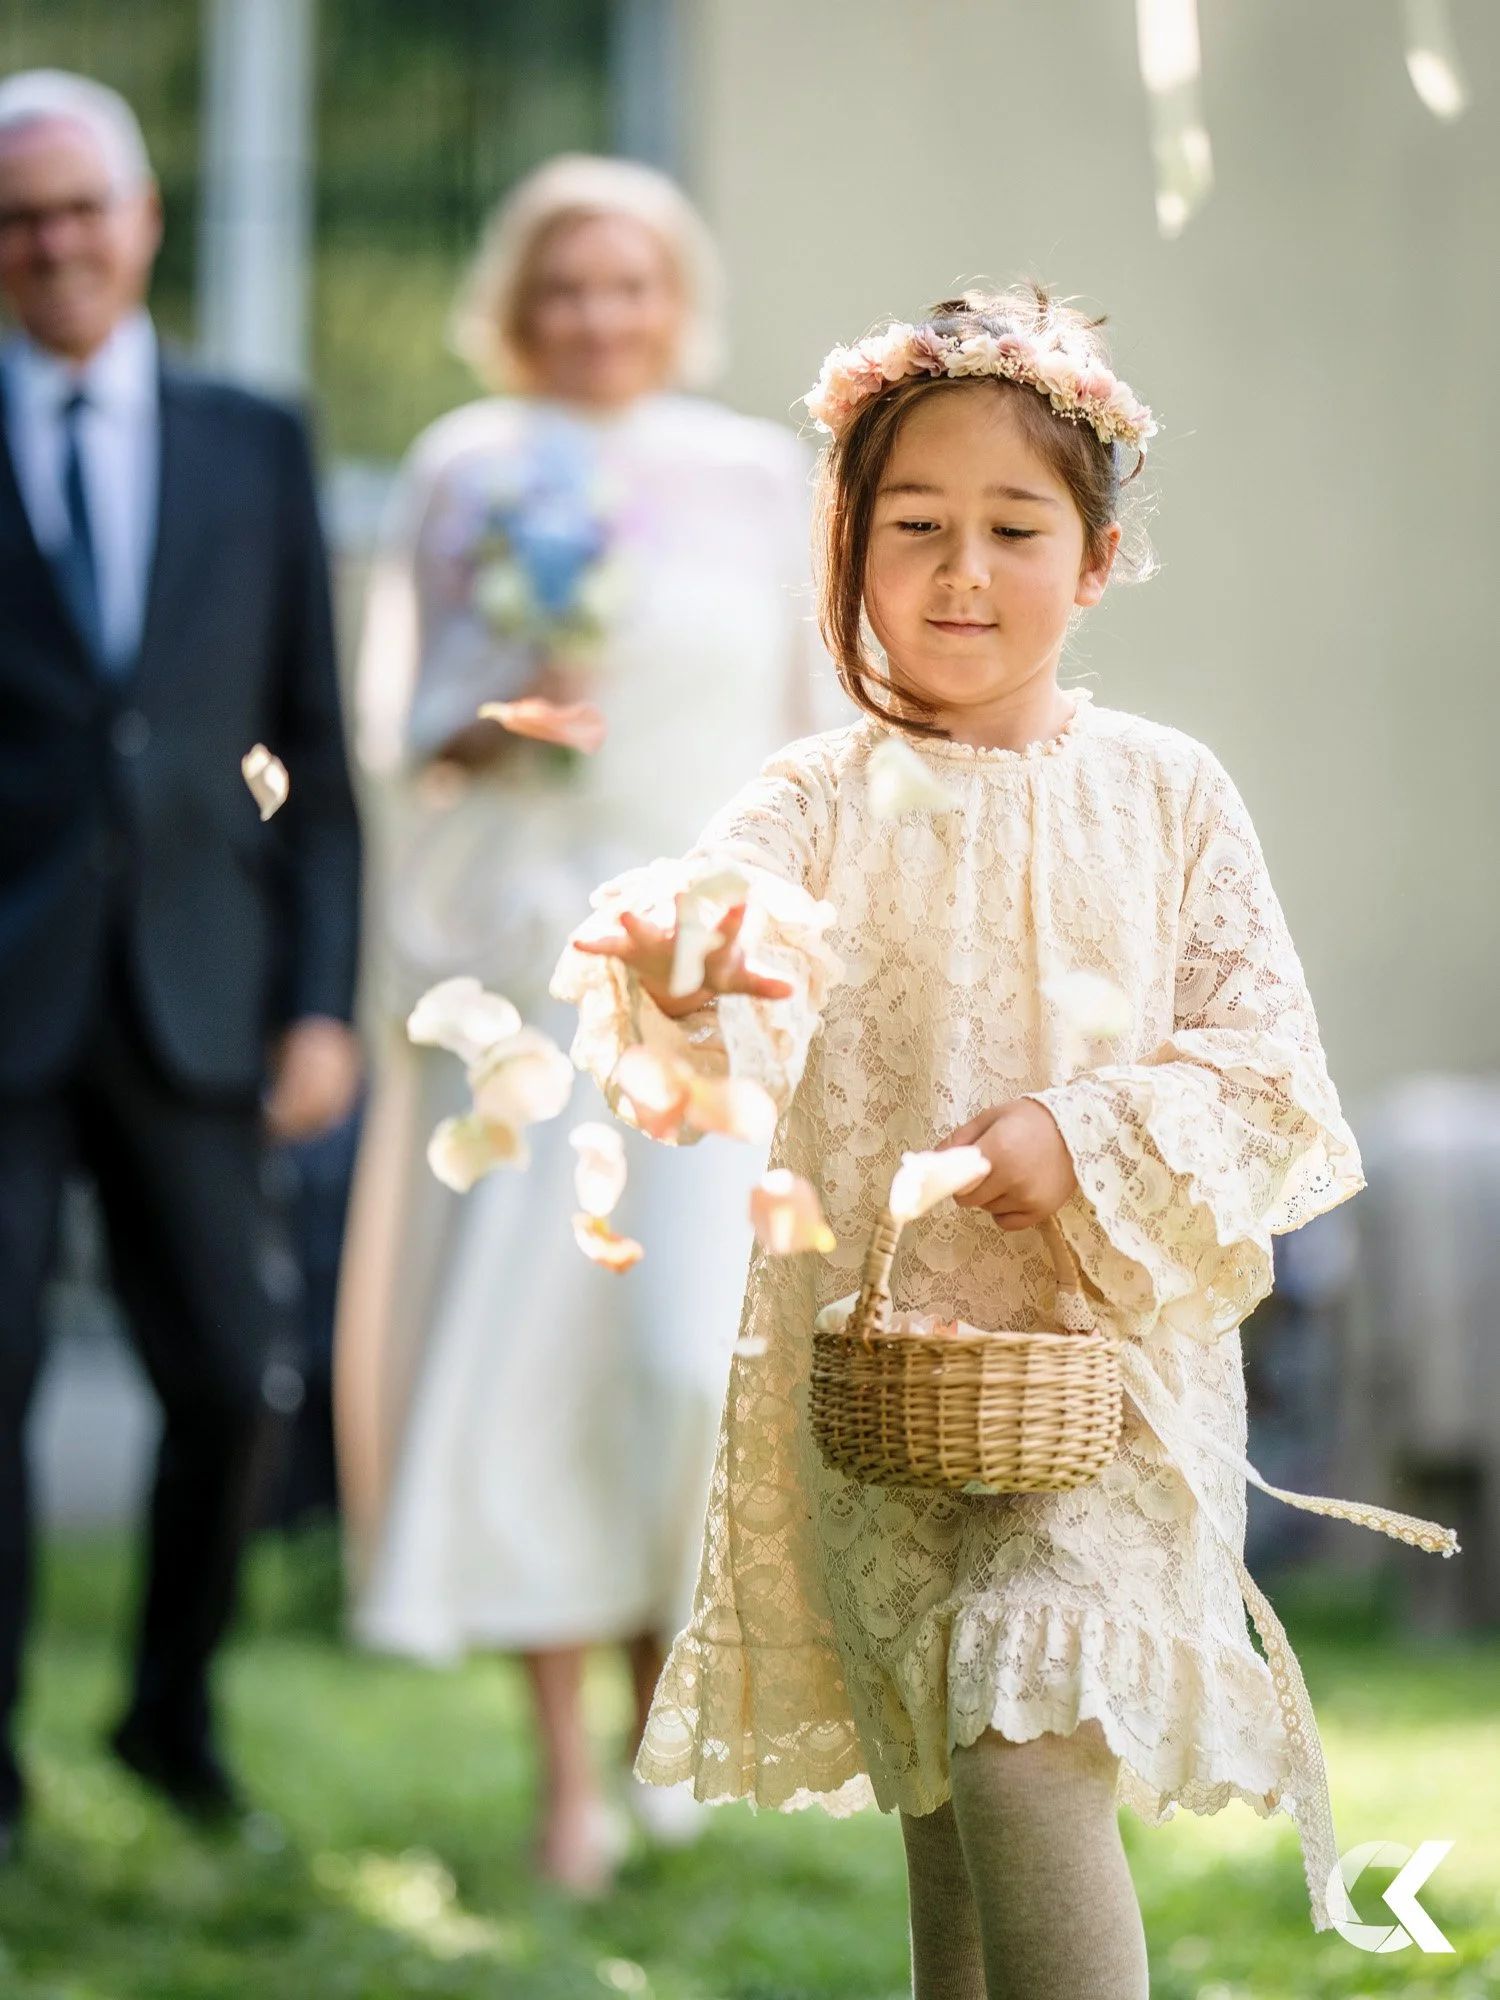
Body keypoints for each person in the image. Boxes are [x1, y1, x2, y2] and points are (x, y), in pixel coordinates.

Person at [552, 282, 1442, 1995]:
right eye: (918, 527)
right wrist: (679, 943)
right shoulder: (810, 797)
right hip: (882, 1390)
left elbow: (1270, 1075)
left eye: (1015, 529)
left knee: (1024, 1729)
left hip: (1109, 1383)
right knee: (952, 1798)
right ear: (853, 549)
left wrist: (1083, 1130)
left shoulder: (1173, 794)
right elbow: (720, 932)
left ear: (1096, 561)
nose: (964, 574)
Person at [336, 154, 834, 1894]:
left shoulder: (764, 476)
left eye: (627, 284)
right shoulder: (465, 468)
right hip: (531, 962)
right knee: (525, 1361)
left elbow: (806, 741)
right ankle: (563, 1773)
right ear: (518, 306)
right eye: (565, 288)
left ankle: (664, 1709)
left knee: (684, 1356)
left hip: (705, 974)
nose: (596, 317)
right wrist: (507, 716)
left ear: (673, 296)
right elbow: (406, 734)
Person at [0, 71, 362, 1857]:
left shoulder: (255, 436)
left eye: (84, 207)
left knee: (233, 1380)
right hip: (0, 1002)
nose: (56, 241)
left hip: (204, 991)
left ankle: (168, 1718)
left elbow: (315, 745)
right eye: (21, 216)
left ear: (143, 222)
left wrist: (320, 996)